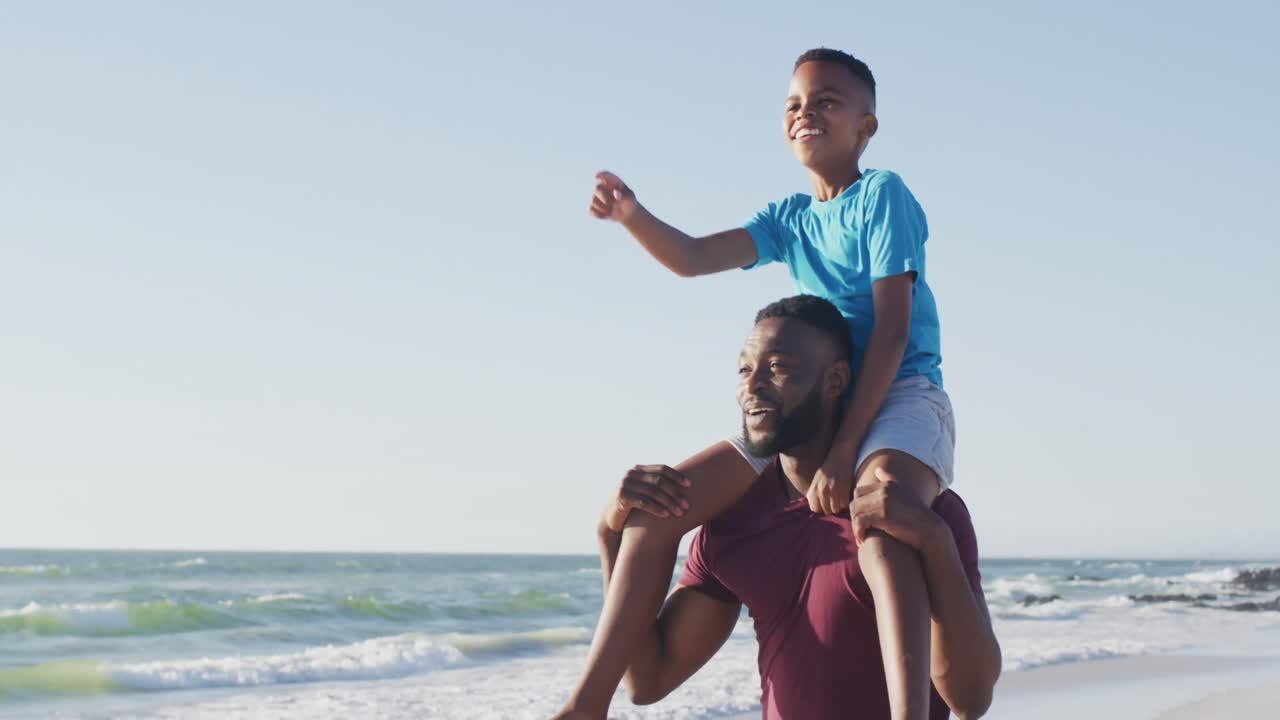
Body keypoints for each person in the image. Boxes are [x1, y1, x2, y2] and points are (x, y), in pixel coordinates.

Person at [558, 48, 958, 719]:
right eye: (795, 103)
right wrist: (631, 214)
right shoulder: (789, 219)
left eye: (828, 101)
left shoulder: (881, 196)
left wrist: (843, 451)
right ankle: (586, 705)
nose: (807, 113)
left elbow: (892, 331)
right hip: (809, 404)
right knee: (654, 513)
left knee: (881, 513)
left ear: (866, 127)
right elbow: (690, 257)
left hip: (899, 393)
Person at [580, 297, 999, 719]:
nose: (753, 385)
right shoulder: (733, 524)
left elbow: (971, 698)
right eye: (745, 369)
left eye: (777, 368)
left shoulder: (916, 510)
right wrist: (610, 533)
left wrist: (935, 542)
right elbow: (648, 680)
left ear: (835, 381)